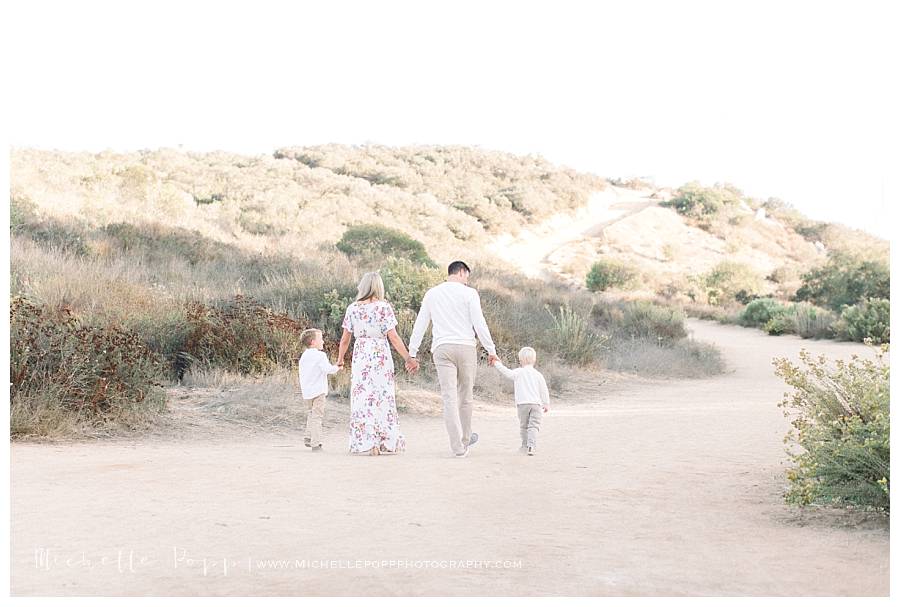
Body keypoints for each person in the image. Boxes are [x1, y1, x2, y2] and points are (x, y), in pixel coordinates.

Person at [407, 260, 498, 457]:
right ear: (462, 272)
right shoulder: (469, 293)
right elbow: (479, 323)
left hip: (442, 348)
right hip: (465, 347)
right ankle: (465, 439)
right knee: (466, 397)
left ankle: (458, 447)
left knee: (449, 398)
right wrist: (491, 350)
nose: (467, 280)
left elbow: (420, 324)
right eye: (467, 276)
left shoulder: (432, 293)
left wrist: (412, 353)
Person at [336, 272, 410, 456]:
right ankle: (385, 440)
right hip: (380, 354)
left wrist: (340, 359)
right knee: (382, 395)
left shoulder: (352, 308)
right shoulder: (383, 307)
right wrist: (408, 358)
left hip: (361, 354)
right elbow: (393, 336)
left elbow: (345, 339)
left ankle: (367, 443)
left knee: (363, 396)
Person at [491, 347, 550, 456]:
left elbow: (506, 372)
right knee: (534, 426)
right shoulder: (538, 374)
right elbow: (544, 390)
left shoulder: (518, 372)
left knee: (524, 426)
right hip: (536, 405)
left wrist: (496, 363)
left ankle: (524, 445)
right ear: (534, 360)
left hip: (522, 405)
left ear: (521, 360)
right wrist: (546, 403)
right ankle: (531, 446)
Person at [298, 328, 342, 451]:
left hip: (307, 391)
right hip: (318, 391)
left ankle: (308, 437)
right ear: (313, 342)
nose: (323, 341)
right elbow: (328, 369)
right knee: (317, 416)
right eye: (321, 339)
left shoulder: (304, 356)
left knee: (311, 413)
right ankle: (316, 443)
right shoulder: (320, 355)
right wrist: (338, 367)